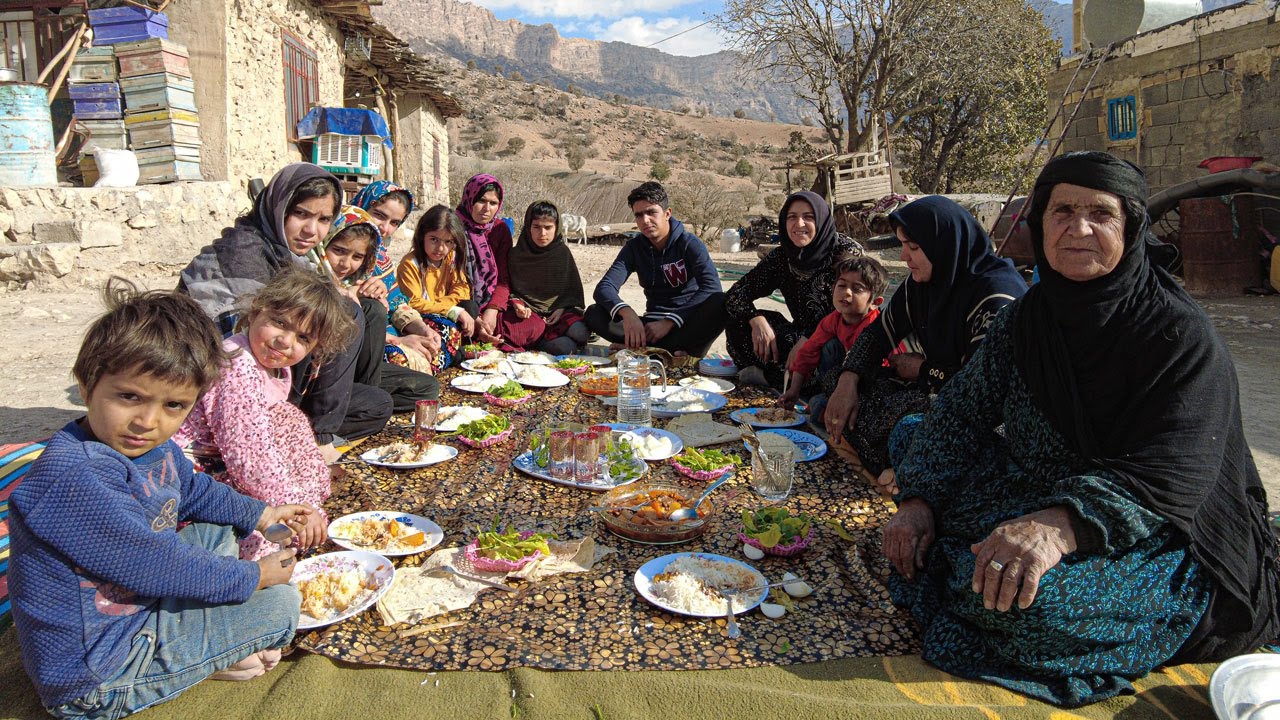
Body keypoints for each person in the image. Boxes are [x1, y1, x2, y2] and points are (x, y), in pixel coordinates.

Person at [881, 151, 1280, 706]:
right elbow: (961, 409)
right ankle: (957, 553)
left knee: (1028, 603)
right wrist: (918, 500)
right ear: (1041, 223)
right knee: (915, 437)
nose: (1079, 229)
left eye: (1101, 214)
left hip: (1149, 528)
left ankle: (964, 571)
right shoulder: (1028, 317)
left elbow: (1173, 474)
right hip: (1036, 486)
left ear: (1131, 227)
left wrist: (1058, 527)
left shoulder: (1178, 335)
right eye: (1062, 211)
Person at [9, 280, 312, 719]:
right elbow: (155, 563)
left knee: (215, 529)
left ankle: (202, 647)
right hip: (99, 670)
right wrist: (255, 576)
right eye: (129, 397)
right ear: (87, 382)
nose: (147, 421)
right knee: (282, 606)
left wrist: (262, 514)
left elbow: (193, 490)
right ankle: (196, 664)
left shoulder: (148, 447)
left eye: (174, 406)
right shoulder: (75, 476)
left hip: (137, 602)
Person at [179, 163, 392, 459]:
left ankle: (303, 432)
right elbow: (237, 350)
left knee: (378, 403)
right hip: (226, 389)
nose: (311, 230)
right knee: (343, 312)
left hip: (281, 376)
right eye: (301, 214)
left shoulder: (290, 255)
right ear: (278, 207)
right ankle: (317, 439)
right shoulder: (241, 253)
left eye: (323, 219)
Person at [822, 195, 1025, 487]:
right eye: (903, 245)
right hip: (929, 390)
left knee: (904, 423)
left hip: (978, 416)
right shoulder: (921, 284)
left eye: (913, 247)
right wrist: (847, 381)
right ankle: (899, 463)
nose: (904, 256)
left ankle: (907, 469)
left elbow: (985, 393)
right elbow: (878, 334)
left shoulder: (996, 297)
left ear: (944, 247)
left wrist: (924, 370)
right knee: (835, 384)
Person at [174, 268, 355, 560]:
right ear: (258, 310)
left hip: (226, 463)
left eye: (303, 338)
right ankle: (286, 528)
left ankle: (304, 511)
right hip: (197, 472)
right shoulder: (237, 364)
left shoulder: (276, 367)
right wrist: (289, 506)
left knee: (290, 418)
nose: (285, 341)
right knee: (263, 549)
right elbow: (248, 454)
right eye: (279, 323)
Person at [725, 191, 864, 387]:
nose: (799, 224)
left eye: (808, 217)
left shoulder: (847, 253)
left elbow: (852, 311)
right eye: (792, 217)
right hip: (797, 337)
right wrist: (755, 319)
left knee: (830, 353)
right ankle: (783, 378)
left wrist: (810, 339)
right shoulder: (782, 257)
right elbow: (736, 293)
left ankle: (772, 378)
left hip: (838, 338)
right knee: (737, 321)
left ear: (822, 219)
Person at [584, 181, 725, 356]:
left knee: (721, 302)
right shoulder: (634, 247)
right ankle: (666, 351)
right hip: (649, 328)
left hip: (685, 323)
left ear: (667, 213)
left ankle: (643, 349)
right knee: (593, 313)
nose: (645, 220)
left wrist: (669, 322)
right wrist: (627, 313)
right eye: (639, 215)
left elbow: (711, 288)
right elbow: (605, 288)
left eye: (651, 212)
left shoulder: (689, 244)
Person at [349, 182, 457, 372]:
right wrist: (399, 340)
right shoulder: (337, 253)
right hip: (361, 338)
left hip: (392, 329)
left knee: (446, 331)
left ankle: (415, 369)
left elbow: (397, 303)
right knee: (397, 357)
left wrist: (423, 330)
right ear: (362, 206)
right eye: (379, 215)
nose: (384, 228)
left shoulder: (380, 258)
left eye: (394, 223)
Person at [778, 254, 888, 414]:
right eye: (842, 286)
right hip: (841, 378)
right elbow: (807, 353)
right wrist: (794, 390)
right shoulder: (833, 319)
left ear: (875, 303)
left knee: (817, 408)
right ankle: (829, 396)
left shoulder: (874, 327)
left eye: (857, 289)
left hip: (870, 385)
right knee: (830, 346)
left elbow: (878, 372)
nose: (847, 293)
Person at [456, 173, 542, 349]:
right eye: (481, 200)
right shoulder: (452, 225)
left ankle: (485, 333)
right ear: (469, 198)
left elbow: (503, 278)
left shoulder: (500, 229)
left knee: (536, 327)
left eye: (493, 203)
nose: (486, 209)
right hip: (459, 302)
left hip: (490, 303)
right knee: (459, 325)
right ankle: (479, 333)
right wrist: (476, 317)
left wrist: (492, 310)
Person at [508, 200, 591, 355]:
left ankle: (549, 337)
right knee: (566, 348)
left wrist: (560, 308)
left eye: (548, 227)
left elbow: (572, 291)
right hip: (528, 314)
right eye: (537, 227)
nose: (543, 233)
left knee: (581, 332)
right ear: (528, 227)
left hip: (560, 313)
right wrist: (518, 305)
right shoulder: (517, 255)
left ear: (557, 227)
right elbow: (510, 289)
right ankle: (543, 342)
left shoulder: (562, 253)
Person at [398, 205, 477, 338]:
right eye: (434, 239)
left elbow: (462, 289)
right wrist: (450, 310)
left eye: (448, 242)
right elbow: (413, 303)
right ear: (422, 236)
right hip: (422, 321)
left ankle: (456, 342)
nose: (440, 248)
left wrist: (446, 307)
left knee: (470, 306)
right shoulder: (410, 264)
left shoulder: (450, 258)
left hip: (444, 313)